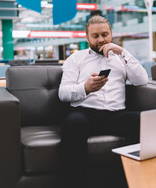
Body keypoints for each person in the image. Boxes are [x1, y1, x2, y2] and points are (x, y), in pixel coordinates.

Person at [58, 15, 148, 187]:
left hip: (116, 115)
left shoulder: (121, 58)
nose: (101, 40)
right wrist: (85, 87)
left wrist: (122, 52)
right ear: (87, 37)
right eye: (95, 36)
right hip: (85, 113)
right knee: (73, 123)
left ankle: (129, 181)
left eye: (105, 35)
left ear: (111, 34)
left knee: (145, 121)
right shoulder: (76, 59)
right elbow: (63, 92)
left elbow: (141, 80)